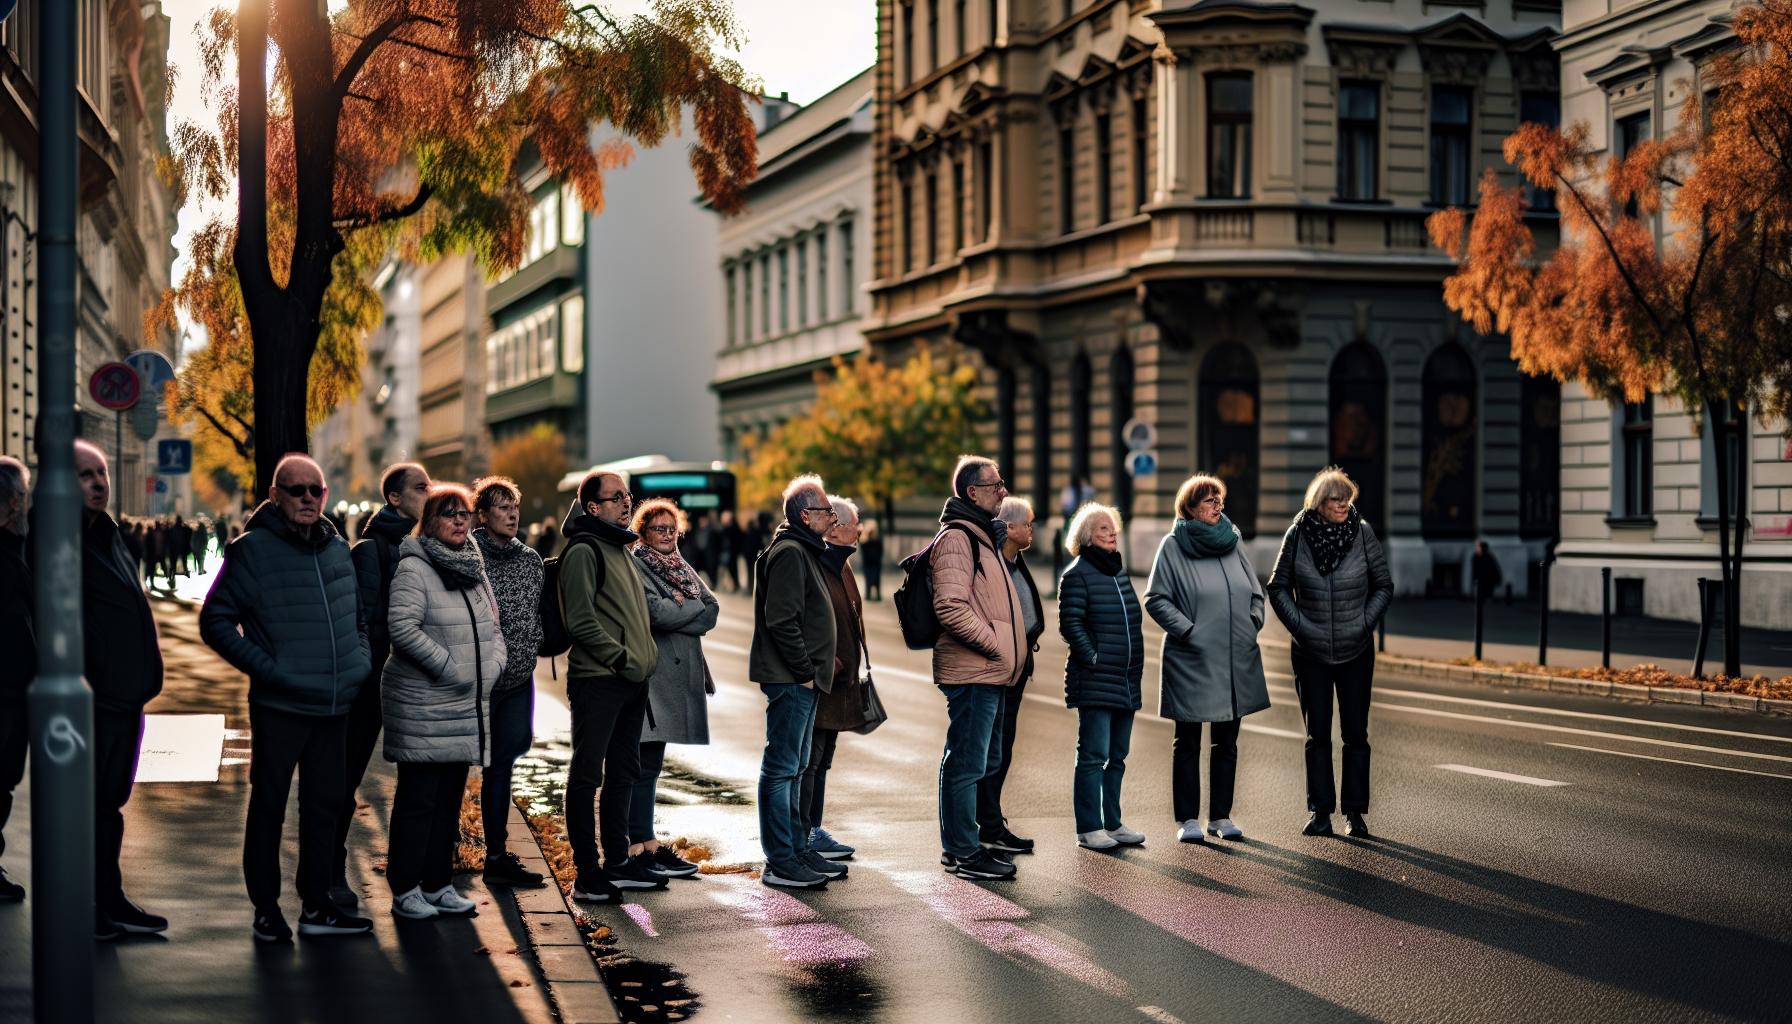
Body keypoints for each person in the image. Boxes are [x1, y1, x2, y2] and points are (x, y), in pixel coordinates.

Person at [200, 452, 372, 942]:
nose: (307, 499)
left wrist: (359, 662)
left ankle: (317, 906)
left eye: (315, 490)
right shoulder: (251, 550)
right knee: (269, 807)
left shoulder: (337, 548)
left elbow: (357, 616)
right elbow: (215, 621)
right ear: (275, 496)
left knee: (325, 807)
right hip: (281, 707)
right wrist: (270, 671)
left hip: (335, 706)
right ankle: (266, 909)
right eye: (296, 490)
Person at [54, 441, 168, 939]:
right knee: (88, 808)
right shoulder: (58, 538)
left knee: (109, 805)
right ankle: (88, 909)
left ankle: (110, 899)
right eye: (86, 475)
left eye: (101, 473)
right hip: (93, 701)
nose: (100, 483)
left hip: (124, 698)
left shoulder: (107, 532)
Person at [381, 484, 506, 921]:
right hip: (424, 703)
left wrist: (489, 670)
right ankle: (406, 888)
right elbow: (402, 627)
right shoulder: (415, 567)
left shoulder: (471, 565)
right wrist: (451, 669)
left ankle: (437, 884)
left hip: (463, 703)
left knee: (449, 800)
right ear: (430, 521)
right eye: (449, 514)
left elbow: (493, 627)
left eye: (465, 514)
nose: (460, 521)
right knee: (419, 800)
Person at [1267, 466, 1393, 839]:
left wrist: (1362, 624)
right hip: (1311, 652)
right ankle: (1320, 812)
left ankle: (1354, 813)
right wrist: (1303, 628)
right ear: (1319, 503)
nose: (1343, 504)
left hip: (1356, 650)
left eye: (1347, 498)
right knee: (1317, 735)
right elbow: (1277, 587)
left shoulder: (1363, 533)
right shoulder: (1298, 534)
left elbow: (1383, 586)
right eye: (1336, 499)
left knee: (1356, 734)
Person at [1145, 474, 1270, 844]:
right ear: (1190, 508)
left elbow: (1255, 592)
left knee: (1226, 742)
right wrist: (1188, 631)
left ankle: (1220, 815)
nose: (1218, 507)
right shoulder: (1172, 546)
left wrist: (1253, 622)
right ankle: (1187, 818)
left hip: (1234, 659)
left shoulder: (1232, 542)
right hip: (1193, 658)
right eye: (1210, 501)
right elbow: (1156, 599)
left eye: (1220, 501)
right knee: (1187, 741)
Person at [559, 471, 666, 903]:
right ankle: (587, 874)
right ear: (593, 507)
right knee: (587, 775)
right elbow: (580, 620)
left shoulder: (620, 548)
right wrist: (622, 658)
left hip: (630, 681)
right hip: (599, 680)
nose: (627, 502)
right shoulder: (584, 550)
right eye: (616, 497)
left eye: (627, 495)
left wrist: (644, 659)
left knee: (625, 771)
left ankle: (617, 862)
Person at [334, 461, 431, 907]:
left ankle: (419, 879)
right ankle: (330, 873)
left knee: (416, 780)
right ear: (394, 497)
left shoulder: (414, 546)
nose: (428, 492)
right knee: (344, 779)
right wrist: (366, 671)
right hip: (370, 686)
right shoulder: (371, 550)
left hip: (402, 684)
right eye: (419, 487)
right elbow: (362, 622)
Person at [932, 456, 1027, 880]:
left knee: (977, 761)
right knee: (966, 763)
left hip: (989, 671)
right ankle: (963, 852)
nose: (1003, 491)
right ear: (972, 492)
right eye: (996, 484)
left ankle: (964, 846)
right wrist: (996, 648)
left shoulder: (982, 535)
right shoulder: (958, 538)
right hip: (974, 670)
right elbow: (950, 606)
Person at [748, 474, 842, 890]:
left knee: (797, 766)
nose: (832, 517)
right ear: (806, 515)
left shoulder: (804, 549)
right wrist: (805, 671)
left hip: (802, 680)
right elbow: (782, 620)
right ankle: (782, 860)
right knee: (783, 769)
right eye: (826, 510)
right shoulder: (790, 552)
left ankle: (796, 850)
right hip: (792, 680)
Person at [629, 498, 718, 880]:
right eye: (658, 529)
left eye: (672, 529)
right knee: (641, 764)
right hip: (653, 676)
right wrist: (687, 609)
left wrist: (681, 608)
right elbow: (654, 613)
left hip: (676, 676)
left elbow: (711, 609)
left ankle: (646, 843)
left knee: (652, 764)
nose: (667, 536)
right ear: (643, 533)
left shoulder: (681, 565)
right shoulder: (636, 563)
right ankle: (637, 846)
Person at [471, 476, 547, 888]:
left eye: (514, 505)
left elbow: (536, 613)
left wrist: (533, 645)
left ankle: (496, 856)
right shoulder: (467, 554)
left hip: (519, 679)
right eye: (501, 507)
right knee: (459, 767)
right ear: (482, 515)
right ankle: (445, 850)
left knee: (503, 764)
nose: (512, 513)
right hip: (478, 683)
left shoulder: (530, 559)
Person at [1058, 503, 1145, 851]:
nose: (1111, 535)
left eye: (1113, 529)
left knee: (1118, 755)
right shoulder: (1077, 573)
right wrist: (1092, 657)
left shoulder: (1116, 571)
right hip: (1096, 679)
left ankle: (1113, 822)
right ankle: (1089, 827)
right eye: (1102, 530)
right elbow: (1071, 624)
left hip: (1125, 678)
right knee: (1093, 755)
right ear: (1086, 537)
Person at [802, 495, 868, 862]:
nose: (858, 530)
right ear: (837, 526)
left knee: (822, 758)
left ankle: (812, 828)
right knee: (809, 760)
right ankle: (804, 834)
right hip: (823, 677)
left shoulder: (841, 564)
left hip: (839, 678)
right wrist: (825, 662)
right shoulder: (820, 562)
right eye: (853, 523)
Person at [976, 496, 1042, 856]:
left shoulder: (1016, 562)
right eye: (1028, 523)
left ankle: (991, 820)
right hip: (996, 669)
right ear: (1011, 528)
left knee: (1002, 750)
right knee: (990, 751)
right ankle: (986, 824)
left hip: (1015, 670)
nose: (1032, 529)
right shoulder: (996, 564)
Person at [0, 457, 33, 902]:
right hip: (4, 692)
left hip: (14, 691)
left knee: (3, 781)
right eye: (24, 498)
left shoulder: (14, 551)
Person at [859, 517, 884, 601]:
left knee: (876, 579)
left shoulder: (877, 539)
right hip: (868, 562)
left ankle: (877, 595)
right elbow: (863, 548)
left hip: (876, 562)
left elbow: (880, 550)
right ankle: (868, 594)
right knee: (868, 578)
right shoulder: (865, 540)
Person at [720, 509, 746, 592]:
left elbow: (737, 541)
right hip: (728, 553)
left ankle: (735, 586)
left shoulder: (733, 528)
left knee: (733, 570)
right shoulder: (726, 529)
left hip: (733, 553)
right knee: (729, 570)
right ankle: (731, 586)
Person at [1472, 540, 1503, 604]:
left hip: (1488, 578)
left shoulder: (1487, 556)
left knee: (1487, 590)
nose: (1477, 548)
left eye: (1478, 547)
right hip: (1482, 578)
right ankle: (1483, 600)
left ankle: (1486, 599)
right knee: (1482, 590)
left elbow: (1493, 567)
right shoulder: (1477, 557)